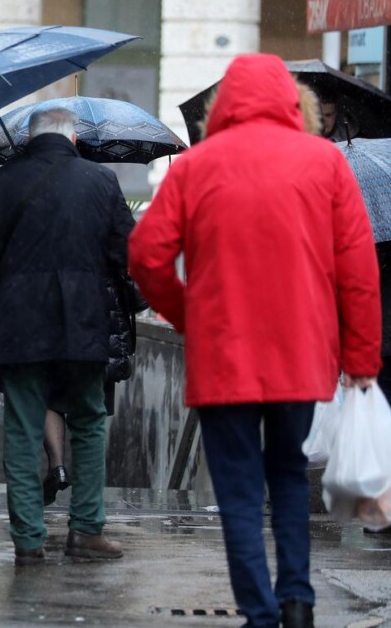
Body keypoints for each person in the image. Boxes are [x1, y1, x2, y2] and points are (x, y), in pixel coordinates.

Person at [128, 55, 381, 628]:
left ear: (224, 108)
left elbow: (145, 254)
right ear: (298, 105)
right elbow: (358, 270)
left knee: (240, 490)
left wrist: (186, 312)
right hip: (301, 354)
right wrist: (362, 356)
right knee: (289, 474)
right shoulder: (325, 163)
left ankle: (260, 614)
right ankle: (297, 600)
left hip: (224, 355)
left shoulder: (199, 167)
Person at [0, 106, 134, 566]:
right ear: (73, 139)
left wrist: (18, 265)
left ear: (29, 138)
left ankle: (28, 539)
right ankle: (86, 530)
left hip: (19, 320)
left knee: (22, 426)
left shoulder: (3, 181)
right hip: (83, 319)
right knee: (89, 419)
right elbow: (126, 250)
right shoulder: (100, 182)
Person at [41, 275, 148, 506]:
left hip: (58, 321)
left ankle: (57, 466)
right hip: (101, 330)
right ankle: (86, 509)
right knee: (91, 416)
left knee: (50, 399)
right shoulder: (105, 240)